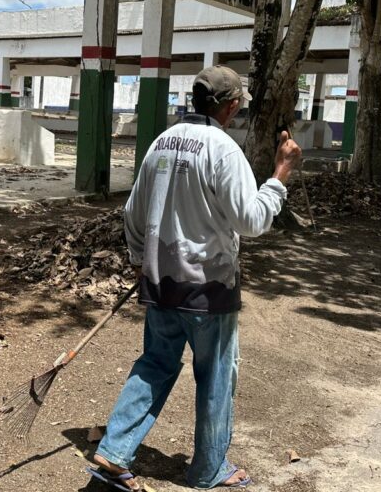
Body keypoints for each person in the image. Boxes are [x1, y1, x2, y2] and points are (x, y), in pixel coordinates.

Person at [87, 66, 302, 490]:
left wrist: (138, 259)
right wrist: (279, 176)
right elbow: (252, 220)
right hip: (208, 287)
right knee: (217, 373)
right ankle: (208, 468)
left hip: (160, 280)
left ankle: (114, 451)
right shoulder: (224, 151)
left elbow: (132, 213)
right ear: (232, 106)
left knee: (155, 364)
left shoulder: (160, 145)